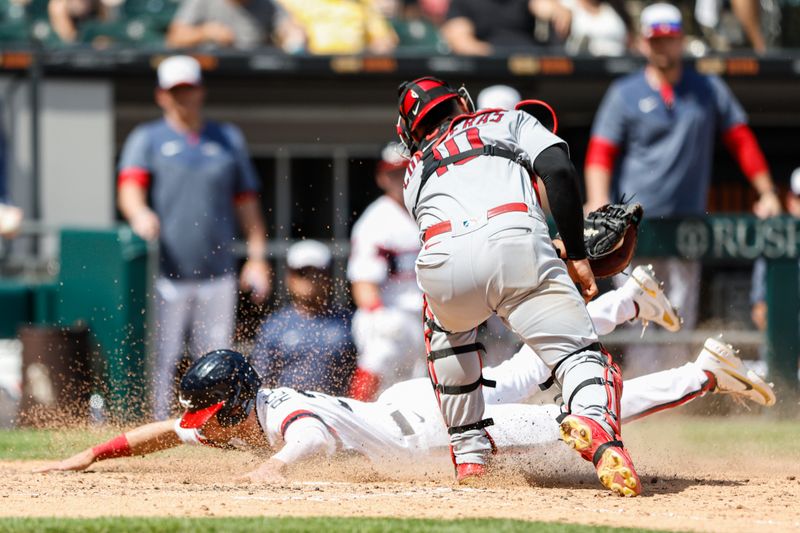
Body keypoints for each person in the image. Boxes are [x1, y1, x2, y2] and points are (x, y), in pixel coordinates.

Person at [36, 334, 774, 481]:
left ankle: (701, 373)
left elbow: (304, 451)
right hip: (405, 405)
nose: (202, 428)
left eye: (209, 416)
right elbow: (169, 431)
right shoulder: (246, 407)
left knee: (573, 418)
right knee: (525, 365)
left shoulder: (284, 421)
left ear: (230, 405)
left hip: (440, 430)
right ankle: (619, 298)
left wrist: (266, 478)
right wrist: (95, 452)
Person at [396, 76, 643, 495]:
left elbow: (472, 238)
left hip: (443, 261)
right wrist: (577, 254)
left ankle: (470, 453)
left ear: (410, 133)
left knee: (444, 326)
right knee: (580, 354)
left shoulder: (414, 170)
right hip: (518, 242)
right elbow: (558, 171)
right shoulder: (509, 119)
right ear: (461, 102)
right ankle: (593, 421)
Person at [583, 3, 781, 374]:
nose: (663, 47)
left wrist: (767, 191)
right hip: (634, 227)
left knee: (680, 312)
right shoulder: (625, 92)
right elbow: (600, 153)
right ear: (644, 42)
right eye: (656, 40)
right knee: (635, 310)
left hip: (687, 224)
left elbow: (740, 139)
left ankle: (675, 395)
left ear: (681, 41)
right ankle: (643, 393)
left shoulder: (706, 88)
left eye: (670, 39)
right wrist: (597, 198)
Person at [117, 55, 271, 420]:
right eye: (175, 91)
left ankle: (216, 427)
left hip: (217, 271)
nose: (182, 98)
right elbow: (129, 189)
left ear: (200, 91)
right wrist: (140, 214)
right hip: (166, 272)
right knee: (162, 356)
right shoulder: (147, 138)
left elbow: (247, 203)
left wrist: (258, 257)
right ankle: (154, 425)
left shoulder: (227, 137)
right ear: (161, 96)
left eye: (188, 89)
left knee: (216, 356)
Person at [347, 143, 425, 401]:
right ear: (382, 177)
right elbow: (362, 282)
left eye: (406, 171)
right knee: (376, 366)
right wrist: (378, 314)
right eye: (394, 173)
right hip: (389, 314)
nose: (401, 179)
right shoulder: (377, 219)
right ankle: (353, 427)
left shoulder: (429, 209)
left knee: (419, 390)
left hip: (426, 317)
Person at [252, 240, 356, 397]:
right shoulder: (275, 325)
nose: (310, 280)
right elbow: (261, 382)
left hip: (338, 412)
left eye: (317, 273)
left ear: (328, 277)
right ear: (289, 278)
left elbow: (365, 372)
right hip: (288, 413)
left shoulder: (349, 322)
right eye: (302, 273)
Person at [273, 0, 398, 55]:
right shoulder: (296, 2)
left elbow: (382, 40)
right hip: (312, 69)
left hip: (355, 71)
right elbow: (282, 31)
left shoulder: (363, 3)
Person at [440, 0, 545, 55]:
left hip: (535, 68)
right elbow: (461, 43)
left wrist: (555, 12)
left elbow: (552, 10)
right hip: (488, 73)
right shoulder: (465, 2)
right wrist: (503, 56)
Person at [166, 0, 281, 50]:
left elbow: (286, 30)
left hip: (253, 76)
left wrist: (289, 34)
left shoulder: (268, 4)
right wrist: (204, 33)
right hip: (213, 74)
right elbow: (174, 38)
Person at [530, 0, 631, 56]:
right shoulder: (568, 4)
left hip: (618, 64)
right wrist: (558, 9)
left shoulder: (613, 7)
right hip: (582, 69)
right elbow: (537, 4)